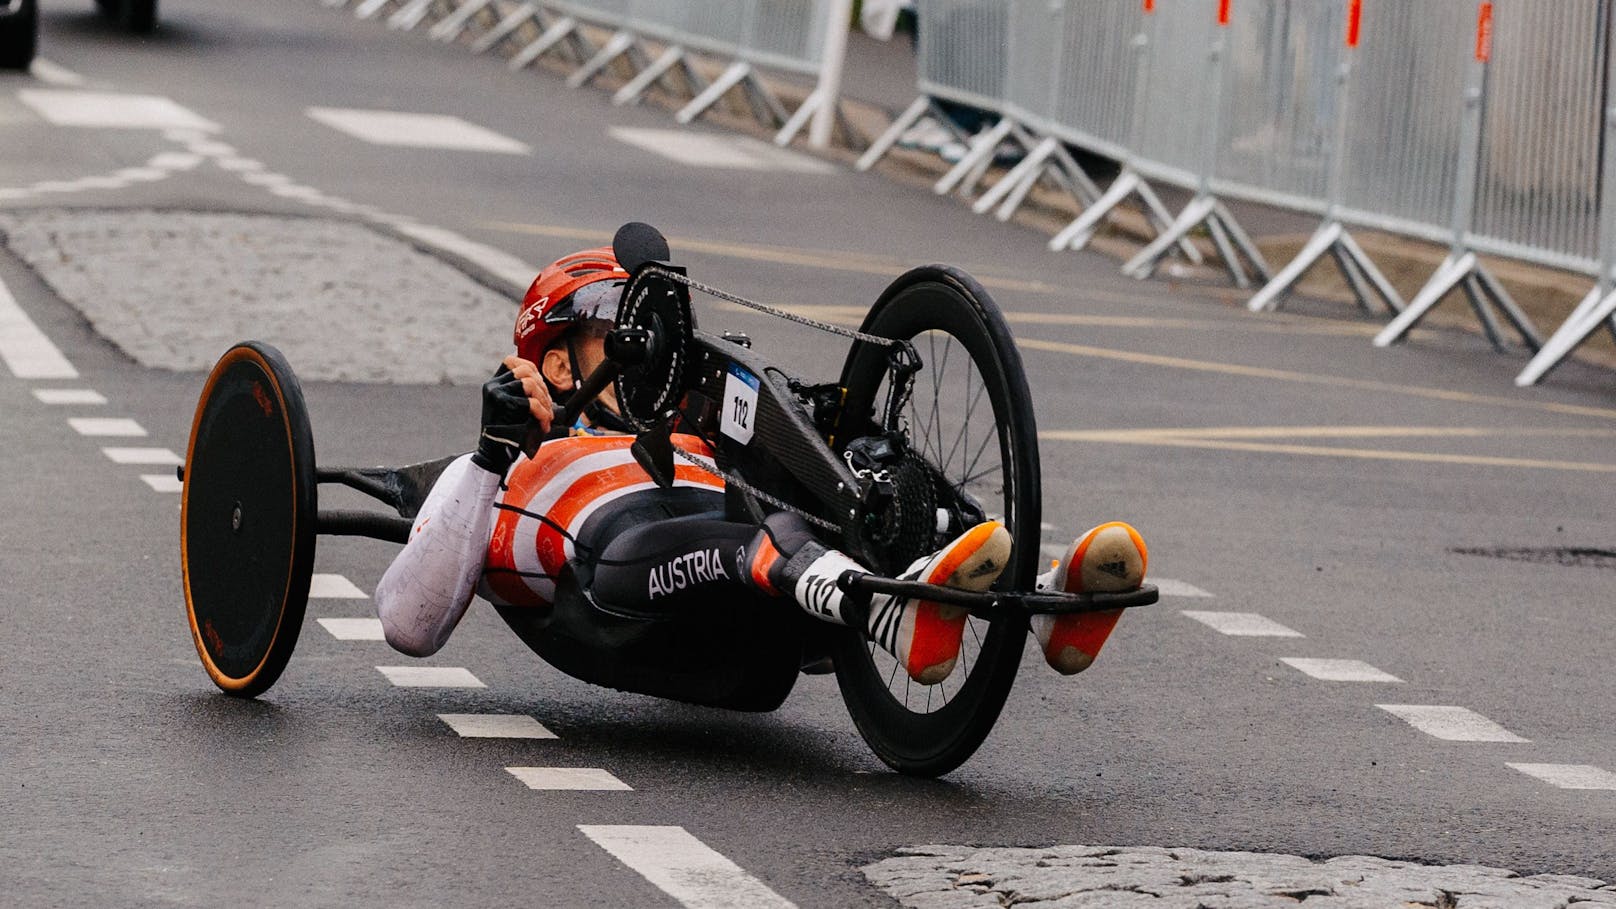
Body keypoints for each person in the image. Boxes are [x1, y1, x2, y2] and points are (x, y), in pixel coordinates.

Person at [373, 246, 1147, 684]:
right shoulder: (505, 463)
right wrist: (489, 454)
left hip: (756, 600)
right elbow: (408, 624)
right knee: (755, 537)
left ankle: (1046, 600)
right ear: (560, 364)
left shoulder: (690, 434)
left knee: (855, 471)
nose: (646, 345)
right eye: (617, 329)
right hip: (615, 581)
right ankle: (886, 612)